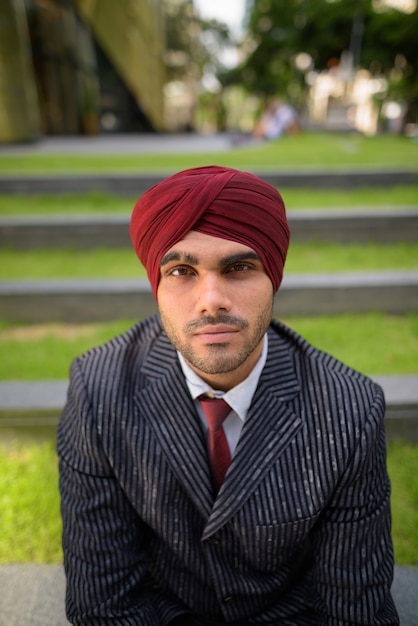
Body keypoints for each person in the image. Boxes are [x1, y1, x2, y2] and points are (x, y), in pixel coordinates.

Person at [58, 165, 399, 625]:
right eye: (181, 270)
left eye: (238, 268)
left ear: (272, 278)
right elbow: (105, 605)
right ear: (156, 287)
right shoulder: (99, 390)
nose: (211, 299)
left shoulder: (348, 409)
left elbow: (352, 610)